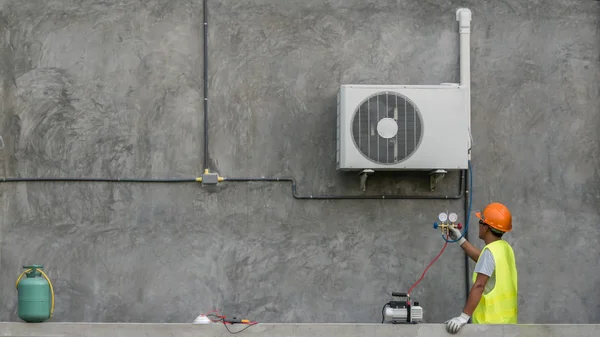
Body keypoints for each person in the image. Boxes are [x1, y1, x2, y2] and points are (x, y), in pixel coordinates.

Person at [445, 202, 518, 334]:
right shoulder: (504, 248)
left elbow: (479, 285)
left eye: (481, 221)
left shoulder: (490, 252)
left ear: (486, 228)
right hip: (507, 324)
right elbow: (483, 260)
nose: (478, 224)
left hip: (489, 327)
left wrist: (463, 317)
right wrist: (460, 239)